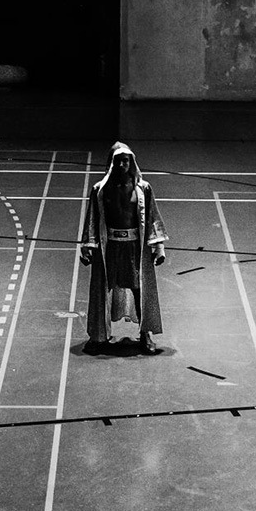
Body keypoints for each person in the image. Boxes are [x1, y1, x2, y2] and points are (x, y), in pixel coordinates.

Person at [80, 142, 168, 355]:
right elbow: (92, 219)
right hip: (109, 246)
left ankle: (145, 333)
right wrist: (88, 247)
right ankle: (98, 335)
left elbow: (153, 218)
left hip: (134, 247)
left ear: (131, 162)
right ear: (112, 163)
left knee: (139, 289)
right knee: (103, 289)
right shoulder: (100, 190)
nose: (121, 165)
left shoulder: (143, 189)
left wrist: (159, 248)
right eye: (118, 161)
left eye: (125, 161)